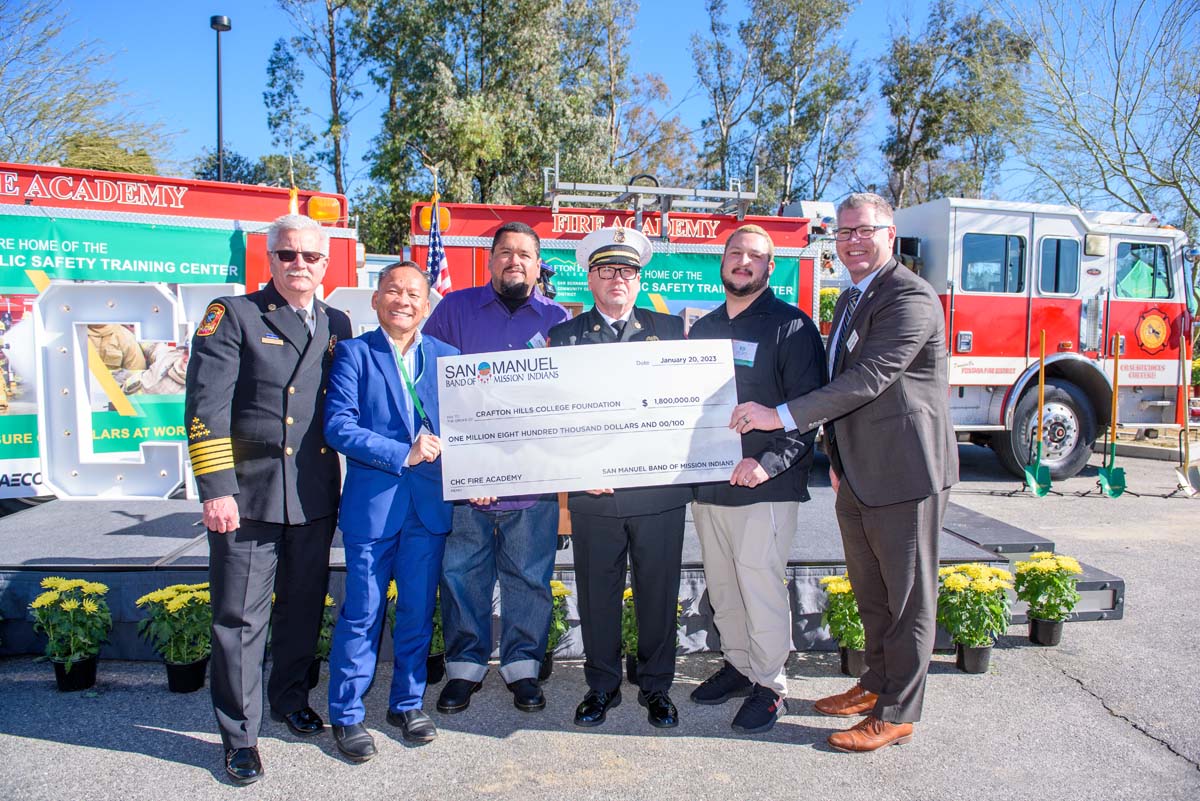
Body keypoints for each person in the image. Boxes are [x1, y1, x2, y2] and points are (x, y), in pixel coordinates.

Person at [732, 192, 958, 752]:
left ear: (890, 234)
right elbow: (842, 384)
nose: (853, 241)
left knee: (908, 598)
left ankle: (898, 712)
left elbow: (869, 378)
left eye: (864, 230)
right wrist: (835, 456)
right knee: (873, 592)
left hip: (906, 473)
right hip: (858, 472)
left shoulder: (909, 296)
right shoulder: (856, 296)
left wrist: (779, 415)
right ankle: (876, 684)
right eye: (844, 231)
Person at [185, 213, 352, 785]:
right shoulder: (233, 314)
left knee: (303, 607)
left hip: (312, 494)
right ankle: (239, 736)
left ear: (325, 263)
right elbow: (204, 408)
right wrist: (216, 490)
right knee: (239, 621)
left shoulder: (337, 322)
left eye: (310, 256)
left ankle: (290, 698)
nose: (299, 264)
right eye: (287, 254)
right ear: (270, 258)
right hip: (249, 496)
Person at [421, 221, 571, 714]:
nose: (514, 261)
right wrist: (471, 465)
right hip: (468, 481)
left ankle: (523, 667)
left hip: (533, 480)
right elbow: (429, 388)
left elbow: (566, 400)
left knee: (529, 577)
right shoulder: (454, 310)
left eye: (525, 254)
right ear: (489, 260)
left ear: (538, 264)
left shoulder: (558, 319)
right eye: (505, 252)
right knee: (462, 574)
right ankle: (465, 668)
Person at [547, 227, 691, 729]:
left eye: (627, 271)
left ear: (639, 279)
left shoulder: (670, 329)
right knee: (597, 595)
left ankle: (656, 688)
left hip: (658, 493)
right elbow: (554, 414)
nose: (617, 279)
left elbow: (685, 404)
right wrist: (576, 466)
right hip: (595, 493)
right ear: (590, 278)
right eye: (606, 270)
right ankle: (602, 686)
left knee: (659, 593)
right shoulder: (565, 336)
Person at [687, 224, 825, 734]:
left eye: (755, 256)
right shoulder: (703, 329)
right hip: (710, 485)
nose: (743, 262)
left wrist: (767, 462)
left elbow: (809, 409)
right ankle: (740, 665)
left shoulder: (792, 327)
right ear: (722, 260)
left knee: (759, 584)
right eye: (735, 252)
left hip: (764, 485)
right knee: (723, 585)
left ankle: (770, 685)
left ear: (770, 267)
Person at [322, 261, 459, 762]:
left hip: (428, 507)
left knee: (418, 612)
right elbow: (338, 426)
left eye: (414, 294)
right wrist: (403, 452)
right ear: (376, 300)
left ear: (426, 305)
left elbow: (466, 426)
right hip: (373, 508)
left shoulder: (447, 358)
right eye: (394, 291)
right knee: (362, 612)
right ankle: (347, 713)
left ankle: (406, 703)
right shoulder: (355, 354)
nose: (403, 300)